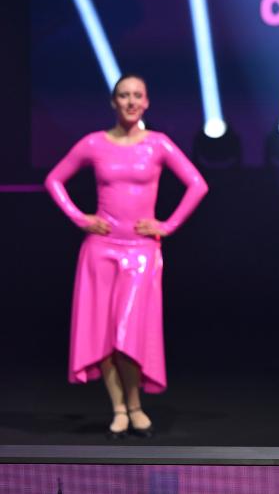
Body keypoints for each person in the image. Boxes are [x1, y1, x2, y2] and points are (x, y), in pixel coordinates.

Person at [45, 74, 208, 438]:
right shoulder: (93, 143)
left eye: (137, 95)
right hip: (100, 249)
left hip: (142, 251)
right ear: (113, 102)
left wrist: (167, 225)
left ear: (146, 102)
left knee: (129, 329)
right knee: (102, 331)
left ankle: (135, 405)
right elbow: (54, 180)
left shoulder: (158, 144)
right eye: (124, 95)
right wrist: (80, 218)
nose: (131, 101)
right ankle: (119, 408)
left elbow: (198, 184)